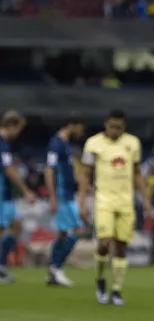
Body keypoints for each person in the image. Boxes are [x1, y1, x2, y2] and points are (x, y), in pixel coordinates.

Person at [79, 110, 150, 305]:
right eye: (112, 126)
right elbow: (85, 175)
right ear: (105, 124)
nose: (115, 130)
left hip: (126, 202)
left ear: (124, 127)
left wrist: (146, 199)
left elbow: (137, 173)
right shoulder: (93, 144)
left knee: (121, 246)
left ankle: (117, 290)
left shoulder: (133, 143)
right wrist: (82, 203)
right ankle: (100, 279)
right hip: (103, 200)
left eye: (119, 127)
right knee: (104, 241)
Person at [45, 115, 87, 287]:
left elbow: (68, 172)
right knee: (78, 229)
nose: (81, 132)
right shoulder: (56, 144)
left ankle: (52, 272)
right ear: (72, 125)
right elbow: (49, 170)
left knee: (62, 233)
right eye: (80, 128)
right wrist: (53, 197)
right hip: (62, 196)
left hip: (68, 194)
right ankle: (57, 268)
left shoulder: (66, 145)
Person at [0, 110, 36, 284]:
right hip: (1, 193)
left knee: (16, 226)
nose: (19, 134)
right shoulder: (2, 143)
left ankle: (1, 266)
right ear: (11, 126)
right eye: (19, 129)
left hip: (6, 195)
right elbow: (8, 169)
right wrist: (25, 190)